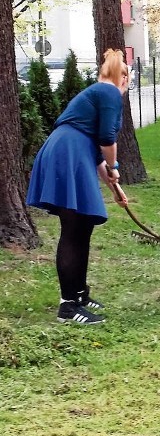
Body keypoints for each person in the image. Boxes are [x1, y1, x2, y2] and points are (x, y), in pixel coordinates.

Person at [27, 49, 130, 325]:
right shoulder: (109, 92)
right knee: (73, 229)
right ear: (124, 78)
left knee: (82, 226)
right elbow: (107, 139)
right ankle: (67, 306)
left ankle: (80, 294)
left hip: (74, 152)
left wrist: (111, 185)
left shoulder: (98, 91)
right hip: (68, 153)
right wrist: (114, 167)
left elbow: (98, 147)